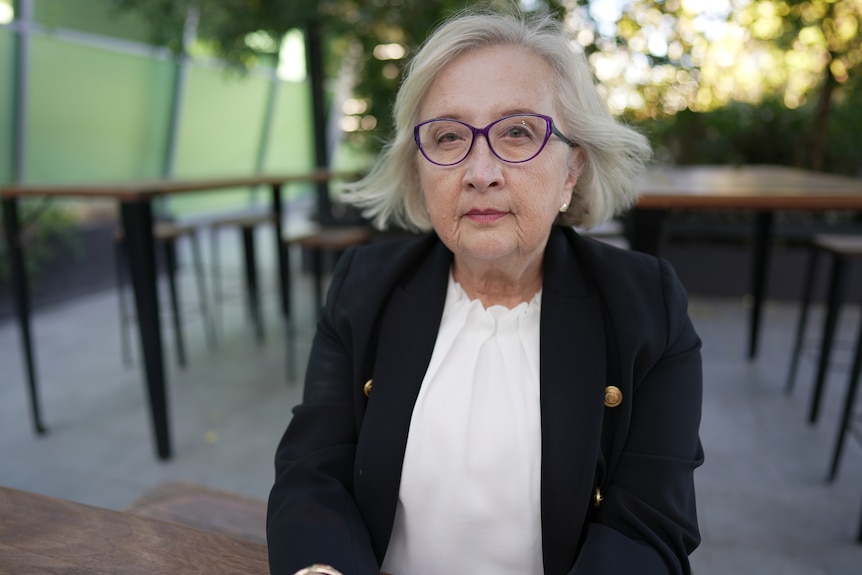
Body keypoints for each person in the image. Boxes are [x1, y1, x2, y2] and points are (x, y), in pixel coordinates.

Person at [267, 7, 703, 575]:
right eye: (449, 137)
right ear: (420, 171)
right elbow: (312, 467)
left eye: (517, 132)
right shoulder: (363, 287)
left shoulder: (648, 308)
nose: (480, 171)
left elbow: (650, 525)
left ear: (572, 169)